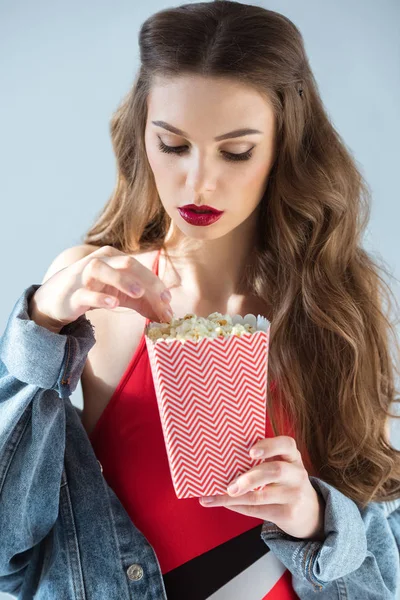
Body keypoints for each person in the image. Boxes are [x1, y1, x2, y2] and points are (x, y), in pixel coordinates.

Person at [1, 1, 400, 598]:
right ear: (143, 135)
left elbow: (382, 575)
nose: (199, 183)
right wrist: (39, 330)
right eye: (173, 145)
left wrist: (318, 523)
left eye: (236, 151)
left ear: (284, 146)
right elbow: (9, 550)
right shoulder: (90, 296)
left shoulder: (335, 304)